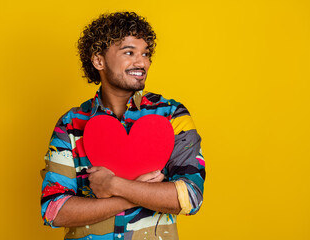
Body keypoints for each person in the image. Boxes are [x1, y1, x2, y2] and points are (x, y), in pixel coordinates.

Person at [41, 12, 205, 240]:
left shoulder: (172, 116)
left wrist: (114, 185)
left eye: (145, 54)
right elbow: (54, 211)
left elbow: (190, 196)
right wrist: (135, 193)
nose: (142, 62)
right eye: (129, 52)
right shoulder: (70, 124)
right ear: (99, 60)